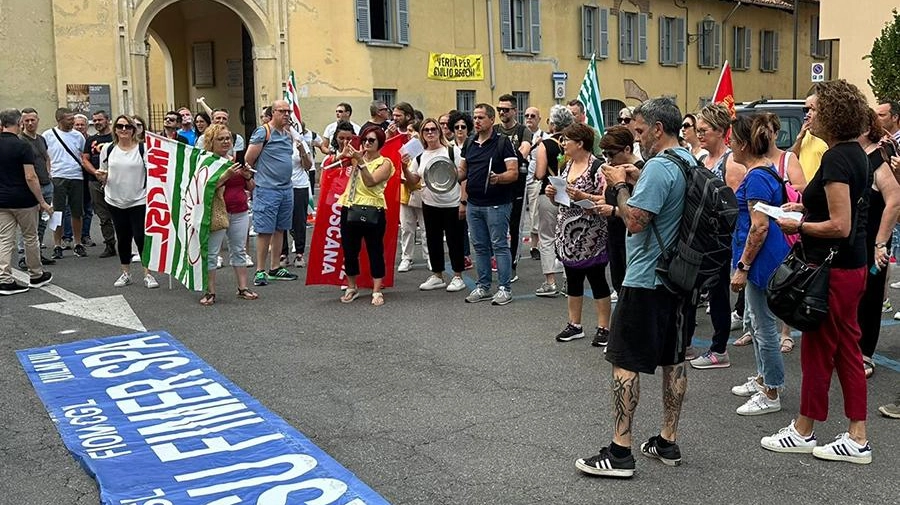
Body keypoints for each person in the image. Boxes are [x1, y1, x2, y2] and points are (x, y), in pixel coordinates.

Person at [575, 97, 696, 478]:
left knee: (625, 361)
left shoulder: (660, 166)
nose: (637, 137)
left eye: (641, 130)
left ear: (658, 129)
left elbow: (637, 221)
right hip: (680, 276)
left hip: (647, 276)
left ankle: (620, 450)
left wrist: (617, 189)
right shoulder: (688, 160)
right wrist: (635, 179)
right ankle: (667, 439)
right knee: (673, 359)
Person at [764, 79, 872, 465]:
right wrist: (805, 212)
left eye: (812, 108)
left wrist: (800, 226)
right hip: (847, 266)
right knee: (844, 349)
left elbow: (840, 225)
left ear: (832, 112)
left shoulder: (837, 158)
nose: (807, 115)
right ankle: (854, 434)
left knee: (820, 350)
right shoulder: (852, 153)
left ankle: (805, 430)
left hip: (834, 267)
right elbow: (841, 216)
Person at [726, 114, 790, 416]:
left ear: (743, 143)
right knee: (755, 320)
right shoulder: (761, 172)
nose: (729, 144)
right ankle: (765, 378)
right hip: (762, 258)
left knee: (763, 326)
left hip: (761, 260)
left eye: (732, 139)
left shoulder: (757, 177)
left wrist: (743, 265)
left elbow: (759, 227)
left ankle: (772, 390)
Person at [688, 103, 747, 369]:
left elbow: (731, 207)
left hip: (719, 240)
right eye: (697, 130)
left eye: (704, 130)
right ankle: (686, 343)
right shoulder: (701, 159)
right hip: (699, 236)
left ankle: (719, 349)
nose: (699, 135)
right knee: (689, 289)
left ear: (720, 131)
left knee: (718, 293)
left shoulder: (731, 162)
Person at [544, 123, 612, 345]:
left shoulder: (598, 168)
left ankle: (604, 328)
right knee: (573, 279)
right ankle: (575, 324)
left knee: (597, 280)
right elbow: (562, 199)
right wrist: (552, 194)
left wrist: (584, 196)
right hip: (568, 233)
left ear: (580, 143)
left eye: (567, 140)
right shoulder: (568, 164)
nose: (563, 144)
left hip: (591, 234)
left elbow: (606, 199)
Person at [459, 104, 518, 306]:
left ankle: (504, 288)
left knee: (499, 245)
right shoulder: (470, 142)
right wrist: (441, 175)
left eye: (481, 117)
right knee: (480, 247)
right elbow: (462, 171)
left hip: (497, 203)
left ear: (492, 120)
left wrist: (499, 178)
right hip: (474, 203)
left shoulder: (503, 143)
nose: (476, 121)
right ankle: (483, 286)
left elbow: (514, 172)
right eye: (474, 117)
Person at [856, 108, 900, 379]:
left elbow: (895, 200)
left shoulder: (878, 157)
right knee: (851, 297)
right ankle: (850, 348)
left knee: (871, 296)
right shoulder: (851, 156)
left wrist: (881, 242)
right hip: (852, 240)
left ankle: (865, 354)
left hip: (873, 241)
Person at [401, 118, 466, 293]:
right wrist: (404, 168)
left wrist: (463, 201)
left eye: (433, 129)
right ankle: (437, 275)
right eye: (426, 130)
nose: (430, 133)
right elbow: (414, 180)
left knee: (454, 241)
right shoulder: (420, 156)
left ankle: (458, 276)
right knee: (432, 240)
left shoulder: (452, 151)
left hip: (452, 203)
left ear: (439, 131)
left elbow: (464, 175)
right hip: (429, 204)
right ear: (422, 134)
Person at [93, 115, 158, 289]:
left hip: (138, 199)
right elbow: (103, 172)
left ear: (133, 130)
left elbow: (152, 173)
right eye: (120, 126)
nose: (124, 130)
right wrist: (101, 176)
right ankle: (125, 273)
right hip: (114, 199)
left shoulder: (143, 149)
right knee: (123, 237)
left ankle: (148, 273)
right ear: (115, 129)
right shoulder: (108, 149)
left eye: (128, 127)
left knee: (141, 237)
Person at [197, 124, 257, 305]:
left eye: (227, 138)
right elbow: (204, 189)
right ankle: (210, 291)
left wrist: (246, 176)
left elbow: (252, 188)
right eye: (220, 139)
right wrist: (226, 176)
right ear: (211, 142)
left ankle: (243, 287)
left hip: (239, 210)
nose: (225, 142)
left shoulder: (235, 160)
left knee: (239, 250)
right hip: (217, 213)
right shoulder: (207, 162)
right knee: (212, 253)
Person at [244, 100, 299, 286]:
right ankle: (260, 270)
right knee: (264, 230)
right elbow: (248, 159)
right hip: (267, 189)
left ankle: (275, 267)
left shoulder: (287, 133)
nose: (286, 114)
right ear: (273, 112)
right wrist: (250, 182)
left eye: (288, 111)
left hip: (286, 188)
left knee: (280, 228)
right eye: (282, 111)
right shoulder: (263, 132)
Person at [338, 125, 394, 306]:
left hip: (373, 209)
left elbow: (371, 182)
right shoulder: (355, 158)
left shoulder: (385, 163)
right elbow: (331, 166)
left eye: (371, 140)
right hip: (350, 205)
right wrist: (343, 154)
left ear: (379, 144)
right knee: (349, 250)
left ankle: (377, 289)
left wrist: (359, 161)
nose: (367, 143)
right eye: (364, 140)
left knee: (375, 250)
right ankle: (351, 287)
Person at [0, 108, 53, 295]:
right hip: (23, 200)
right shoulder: (23, 146)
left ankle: (4, 279)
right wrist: (42, 201)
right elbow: (31, 176)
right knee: (31, 237)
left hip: (2, 200)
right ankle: (36, 274)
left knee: (5, 240)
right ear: (19, 123)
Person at [597, 126, 643, 297]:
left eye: (611, 154)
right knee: (618, 279)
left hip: (631, 236)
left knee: (631, 286)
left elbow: (641, 210)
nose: (608, 160)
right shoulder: (614, 169)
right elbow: (607, 196)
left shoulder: (639, 170)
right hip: (614, 232)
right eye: (605, 154)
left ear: (627, 149)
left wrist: (613, 210)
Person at [532, 104, 572, 298]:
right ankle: (569, 281)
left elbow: (540, 174)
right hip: (569, 195)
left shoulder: (545, 144)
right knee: (567, 237)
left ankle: (550, 282)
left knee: (547, 237)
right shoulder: (574, 143)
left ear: (554, 123)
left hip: (548, 193)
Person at [494, 94, 532, 282]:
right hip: (498, 182)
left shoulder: (523, 131)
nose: (502, 112)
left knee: (515, 224)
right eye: (499, 109)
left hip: (517, 183)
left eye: (506, 109)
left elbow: (523, 151)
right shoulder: (494, 130)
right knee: (497, 223)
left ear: (514, 111)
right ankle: (498, 260)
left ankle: (512, 265)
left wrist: (506, 156)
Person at [43, 107, 87, 259]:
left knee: (77, 211)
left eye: (73, 119)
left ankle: (78, 243)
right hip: (57, 175)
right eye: (69, 119)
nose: (73, 122)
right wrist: (48, 171)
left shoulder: (78, 136)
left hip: (76, 176)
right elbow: (45, 156)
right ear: (59, 120)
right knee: (57, 212)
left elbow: (83, 155)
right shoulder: (48, 135)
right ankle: (57, 244)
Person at [17, 108, 55, 265]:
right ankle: (24, 257)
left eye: (33, 120)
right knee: (29, 224)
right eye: (27, 120)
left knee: (42, 223)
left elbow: (46, 157)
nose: (30, 123)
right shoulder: (20, 141)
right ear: (22, 122)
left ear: (38, 120)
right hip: (31, 187)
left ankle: (36, 254)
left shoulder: (41, 139)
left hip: (46, 185)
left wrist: (48, 173)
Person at [394, 102, 428, 272]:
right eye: (408, 131)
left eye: (413, 131)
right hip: (405, 191)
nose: (410, 134)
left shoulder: (425, 148)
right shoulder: (402, 148)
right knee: (407, 227)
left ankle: (429, 257)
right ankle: (406, 258)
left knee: (425, 227)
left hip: (421, 190)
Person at [82, 110, 117, 258]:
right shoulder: (90, 140)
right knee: (103, 216)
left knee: (119, 212)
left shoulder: (115, 137)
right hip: (95, 182)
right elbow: (85, 159)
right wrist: (95, 172)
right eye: (94, 120)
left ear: (107, 120)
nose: (97, 123)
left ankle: (126, 244)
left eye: (99, 120)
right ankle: (109, 244)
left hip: (115, 181)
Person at [281, 125, 312, 268]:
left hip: (299, 186)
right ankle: (283, 253)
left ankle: (299, 253)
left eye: (288, 127)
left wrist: (301, 152)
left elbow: (308, 165)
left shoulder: (299, 143)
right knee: (281, 221)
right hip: (280, 186)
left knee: (299, 221)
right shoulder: (274, 143)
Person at [449, 111, 475, 271]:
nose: (460, 129)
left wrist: (463, 200)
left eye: (463, 127)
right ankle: (464, 254)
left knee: (473, 224)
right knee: (459, 225)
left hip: (471, 190)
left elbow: (465, 174)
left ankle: (489, 255)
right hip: (453, 190)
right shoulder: (449, 147)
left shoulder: (472, 144)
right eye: (456, 127)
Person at [791, 93, 829, 182]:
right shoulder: (806, 133)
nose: (808, 114)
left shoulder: (828, 137)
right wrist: (799, 138)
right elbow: (792, 157)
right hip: (803, 191)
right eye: (806, 110)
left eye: (812, 109)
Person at [524, 106, 545, 258]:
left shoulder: (544, 136)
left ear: (539, 119)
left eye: (532, 116)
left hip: (535, 179)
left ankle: (534, 246)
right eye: (527, 116)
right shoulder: (522, 135)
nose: (529, 118)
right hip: (520, 179)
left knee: (535, 213)